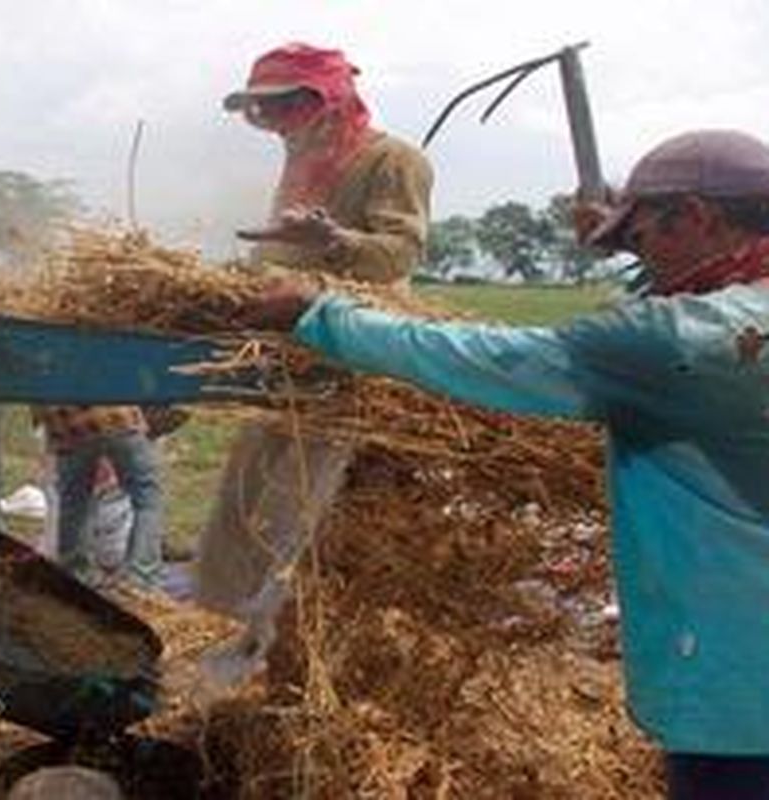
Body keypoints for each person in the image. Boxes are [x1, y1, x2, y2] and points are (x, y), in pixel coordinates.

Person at [240, 129, 769, 799]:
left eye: (645, 237)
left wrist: (322, 316)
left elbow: (489, 357)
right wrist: (630, 233)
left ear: (696, 217)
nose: (644, 261)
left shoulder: (678, 342)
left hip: (740, 684)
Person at [196, 42, 433, 668]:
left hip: (346, 360)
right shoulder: (302, 163)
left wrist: (332, 237)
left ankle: (277, 650)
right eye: (261, 112)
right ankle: (244, 636)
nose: (270, 124)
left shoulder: (393, 159)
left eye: (279, 108)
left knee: (293, 513)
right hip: (285, 363)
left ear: (323, 101)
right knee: (244, 503)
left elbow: (399, 256)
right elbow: (282, 255)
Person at [35, 404, 164, 589]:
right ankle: (141, 577)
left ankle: (75, 574)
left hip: (66, 425)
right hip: (117, 418)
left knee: (74, 501)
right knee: (148, 499)